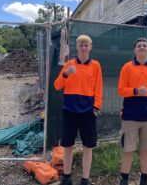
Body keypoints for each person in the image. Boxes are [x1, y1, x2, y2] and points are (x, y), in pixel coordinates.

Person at [54, 35, 103, 185]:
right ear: (77, 47)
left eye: (86, 45)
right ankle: (67, 177)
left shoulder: (95, 65)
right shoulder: (69, 64)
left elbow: (99, 88)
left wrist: (96, 107)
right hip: (70, 111)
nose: (83, 47)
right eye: (80, 45)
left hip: (88, 112)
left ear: (90, 47)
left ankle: (85, 179)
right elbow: (57, 85)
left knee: (87, 146)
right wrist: (65, 74)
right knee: (68, 146)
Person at [117, 38, 147, 185]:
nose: (142, 47)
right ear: (135, 50)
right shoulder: (127, 67)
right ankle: (124, 180)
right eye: (139, 46)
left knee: (146, 150)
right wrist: (136, 91)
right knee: (128, 150)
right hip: (130, 116)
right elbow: (121, 90)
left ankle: (145, 180)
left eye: (145, 45)